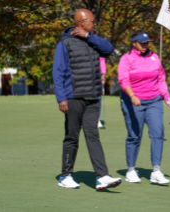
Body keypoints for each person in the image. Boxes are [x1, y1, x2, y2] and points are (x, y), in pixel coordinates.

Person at [52, 8, 121, 190]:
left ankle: (102, 176)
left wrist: (88, 36)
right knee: (72, 136)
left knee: (93, 135)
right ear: (82, 23)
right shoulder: (64, 43)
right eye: (91, 21)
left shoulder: (93, 41)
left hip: (93, 97)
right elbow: (57, 72)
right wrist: (62, 98)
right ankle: (65, 176)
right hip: (73, 97)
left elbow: (109, 48)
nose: (94, 23)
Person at [118, 30, 170, 185]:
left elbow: (161, 78)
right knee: (135, 135)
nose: (145, 45)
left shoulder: (154, 57)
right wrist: (132, 96)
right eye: (141, 43)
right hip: (132, 101)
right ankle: (131, 170)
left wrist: (166, 95)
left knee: (157, 133)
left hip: (154, 100)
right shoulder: (126, 59)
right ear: (133, 43)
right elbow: (123, 80)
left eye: (147, 43)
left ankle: (156, 171)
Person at [98, 57, 106, 129]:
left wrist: (103, 73)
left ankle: (96, 120)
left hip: (98, 73)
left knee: (97, 97)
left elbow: (102, 59)